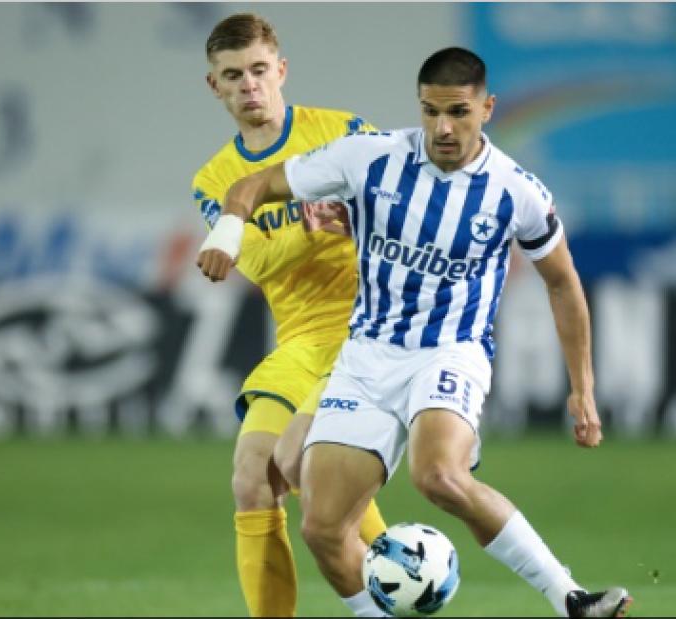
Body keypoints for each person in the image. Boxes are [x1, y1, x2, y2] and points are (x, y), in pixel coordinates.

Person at [198, 47, 632, 618]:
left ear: (488, 109)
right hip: (366, 356)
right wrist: (229, 229)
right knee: (322, 528)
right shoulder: (370, 157)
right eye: (431, 112)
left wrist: (583, 388)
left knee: (438, 476)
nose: (443, 128)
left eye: (458, 112)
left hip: (449, 353)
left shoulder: (515, 190)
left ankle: (569, 597)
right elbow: (251, 187)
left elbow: (563, 283)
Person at [191, 13, 387, 618]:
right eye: (233, 75)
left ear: (281, 70)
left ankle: (397, 570)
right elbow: (256, 261)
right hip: (300, 344)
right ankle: (397, 570)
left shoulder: (344, 132)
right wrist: (309, 227)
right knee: (251, 478)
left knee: (298, 462)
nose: (249, 85)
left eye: (258, 70)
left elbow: (404, 204)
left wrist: (358, 220)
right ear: (214, 86)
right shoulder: (215, 180)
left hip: (367, 332)